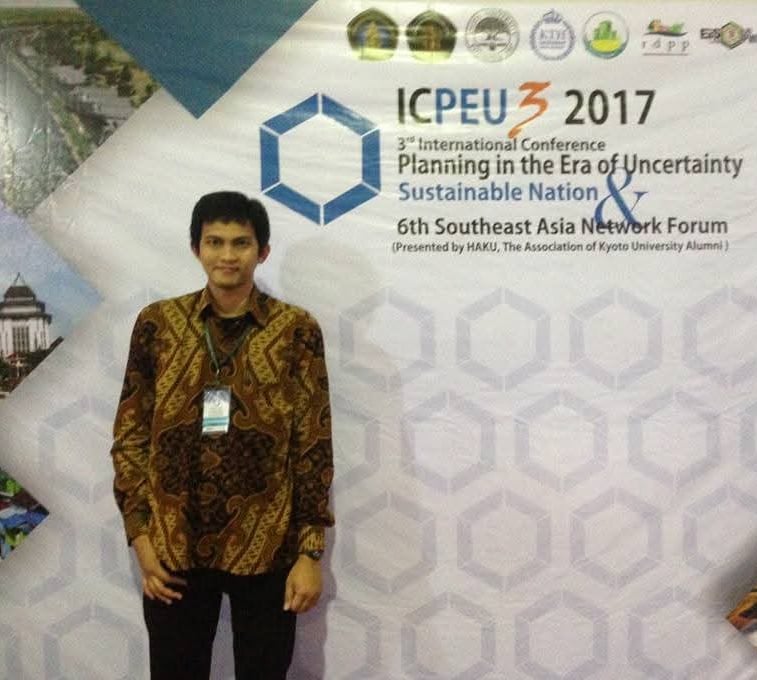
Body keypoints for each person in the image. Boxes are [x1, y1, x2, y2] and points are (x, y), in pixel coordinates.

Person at [111, 191, 334, 679]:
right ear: (196, 248)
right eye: (215, 242)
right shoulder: (158, 324)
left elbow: (313, 445)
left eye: (241, 243)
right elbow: (130, 434)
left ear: (262, 251)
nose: (227, 255)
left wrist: (309, 552)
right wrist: (141, 535)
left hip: (269, 544)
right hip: (173, 544)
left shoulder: (296, 330)